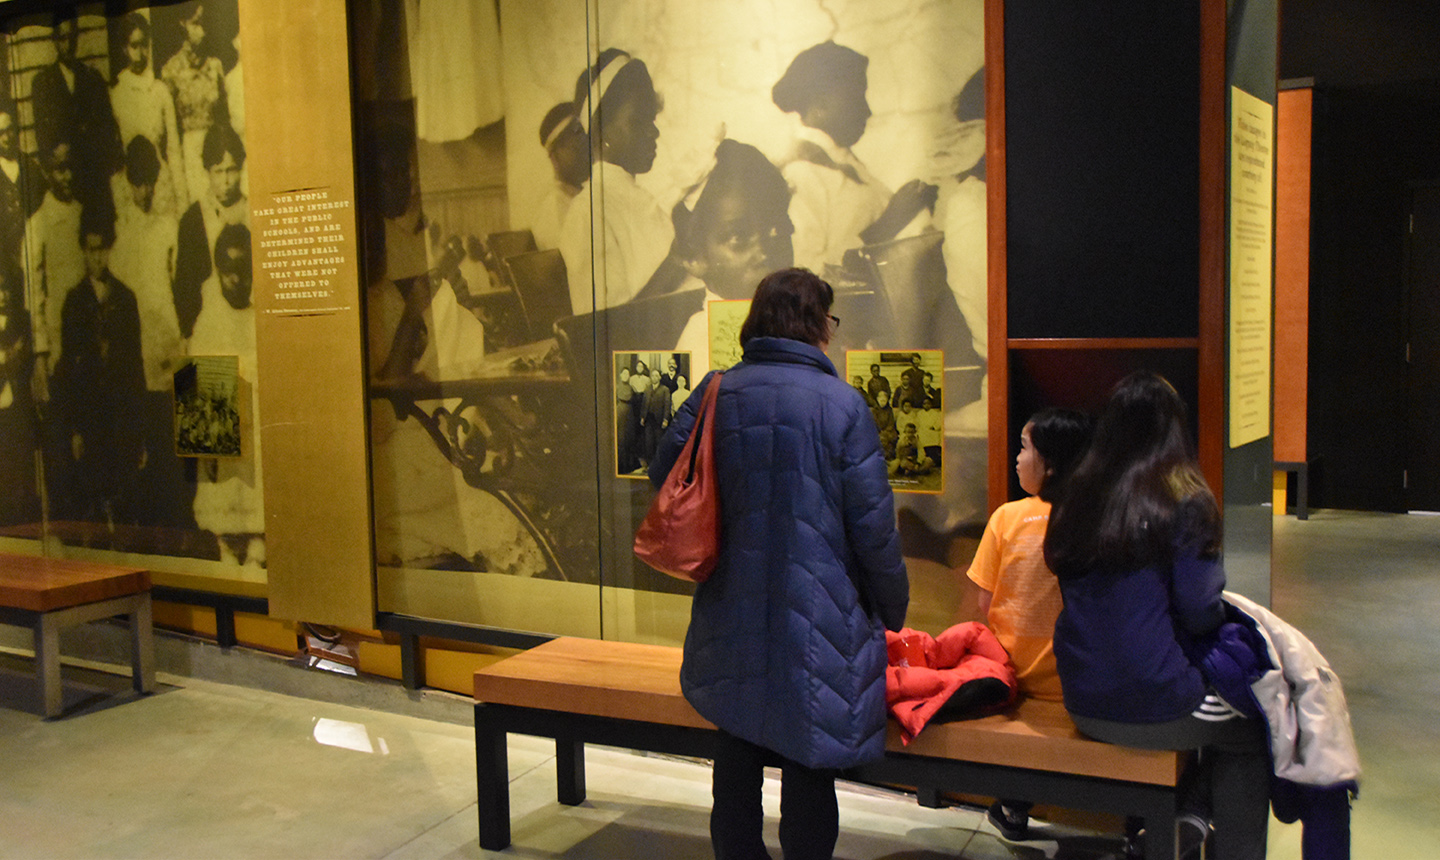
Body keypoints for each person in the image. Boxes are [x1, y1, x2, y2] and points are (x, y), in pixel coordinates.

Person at [650, 267, 908, 860]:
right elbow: (873, 528)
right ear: (817, 323)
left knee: (736, 747)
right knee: (810, 757)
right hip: (820, 613)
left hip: (730, 604)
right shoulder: (843, 406)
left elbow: (665, 472)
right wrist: (892, 604)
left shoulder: (717, 390)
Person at [1044, 372, 1270, 860]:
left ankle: (1186, 819)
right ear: (1175, 430)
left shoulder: (1075, 497)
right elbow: (1200, 610)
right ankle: (1199, 823)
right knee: (1255, 727)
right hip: (1154, 700)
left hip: (1080, 698)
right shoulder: (1186, 499)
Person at [964, 407, 1092, 841]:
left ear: (1050, 463)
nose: (1017, 459)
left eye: (1024, 448)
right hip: (1073, 681)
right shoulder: (1093, 519)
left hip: (1013, 678)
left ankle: (1013, 806)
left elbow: (985, 602)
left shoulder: (1007, 518)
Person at [771, 41, 936, 273]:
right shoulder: (800, 173)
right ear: (820, 104)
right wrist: (890, 223)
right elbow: (806, 274)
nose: (867, 111)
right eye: (857, 97)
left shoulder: (846, 165)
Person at [557, 49, 672, 314]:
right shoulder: (587, 215)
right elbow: (609, 331)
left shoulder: (639, 199)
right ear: (600, 133)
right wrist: (676, 263)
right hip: (642, 357)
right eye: (638, 120)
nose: (654, 131)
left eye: (652, 119)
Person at [52, 207, 146, 525]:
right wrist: (75, 429)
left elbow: (135, 367)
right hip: (90, 416)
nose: (97, 257)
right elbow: (68, 370)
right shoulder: (75, 302)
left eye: (103, 249)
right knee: (93, 496)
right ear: (83, 250)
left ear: (110, 249)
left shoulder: (126, 299)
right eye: (91, 249)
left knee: (124, 498)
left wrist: (140, 431)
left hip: (121, 417)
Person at [670, 138, 795, 376]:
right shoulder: (703, 340)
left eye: (778, 229)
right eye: (738, 237)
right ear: (695, 258)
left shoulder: (782, 320)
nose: (765, 251)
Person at [30, 15, 122, 215]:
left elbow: (107, 127)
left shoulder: (92, 78)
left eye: (72, 37)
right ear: (54, 41)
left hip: (92, 179)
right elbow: (42, 137)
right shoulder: (42, 83)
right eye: (62, 38)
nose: (68, 44)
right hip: (65, 182)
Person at [173, 122, 246, 340]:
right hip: (210, 331)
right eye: (218, 172)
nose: (225, 181)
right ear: (207, 171)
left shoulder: (253, 211)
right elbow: (185, 289)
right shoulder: (193, 220)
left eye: (231, 170)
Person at [110, 12, 186, 217]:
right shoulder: (116, 95)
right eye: (134, 46)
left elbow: (174, 150)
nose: (141, 53)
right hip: (131, 188)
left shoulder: (160, 91)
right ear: (124, 48)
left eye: (144, 45)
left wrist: (182, 202)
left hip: (160, 186)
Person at [161, 1, 228, 208]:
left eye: (204, 23)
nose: (202, 30)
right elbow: (169, 131)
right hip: (189, 154)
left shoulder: (215, 66)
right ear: (183, 24)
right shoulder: (171, 71)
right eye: (196, 23)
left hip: (215, 149)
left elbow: (225, 117)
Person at [531, 101, 589, 250]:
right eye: (577, 148)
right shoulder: (555, 212)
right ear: (554, 156)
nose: (588, 155)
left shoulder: (582, 199)